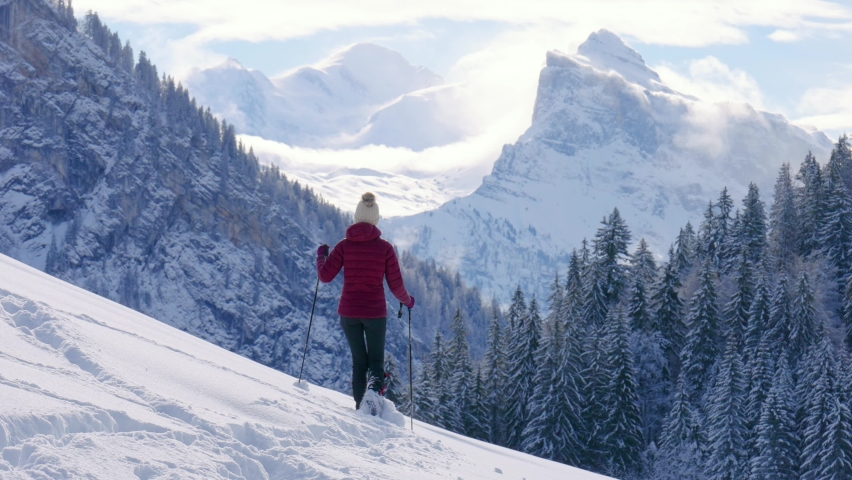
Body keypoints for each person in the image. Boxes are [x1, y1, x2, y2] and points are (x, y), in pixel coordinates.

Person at [316, 192, 415, 410]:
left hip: (349, 312)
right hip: (375, 313)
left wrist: (321, 255)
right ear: (376, 219)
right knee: (376, 361)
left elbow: (324, 276)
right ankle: (373, 396)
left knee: (359, 361)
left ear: (356, 217)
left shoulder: (343, 246)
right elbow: (396, 286)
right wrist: (408, 302)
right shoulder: (385, 248)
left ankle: (361, 405)